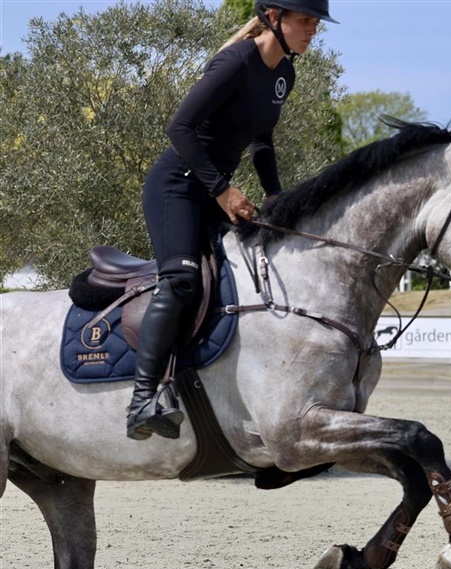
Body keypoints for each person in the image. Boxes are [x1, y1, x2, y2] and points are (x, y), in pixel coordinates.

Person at [127, 1, 337, 440]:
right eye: (306, 20)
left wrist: (276, 194)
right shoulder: (235, 62)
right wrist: (222, 190)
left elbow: (262, 142)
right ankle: (142, 399)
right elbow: (179, 127)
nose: (313, 30)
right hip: (177, 187)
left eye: (316, 23)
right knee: (182, 279)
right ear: (274, 18)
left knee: (249, 270)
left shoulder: (284, 75)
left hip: (212, 190)